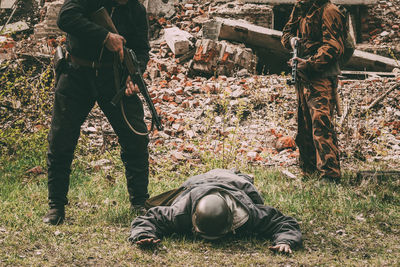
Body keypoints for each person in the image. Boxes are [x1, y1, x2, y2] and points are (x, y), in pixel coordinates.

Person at [43, 0, 151, 225]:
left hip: (114, 78)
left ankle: (140, 202)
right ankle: (56, 206)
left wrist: (134, 74)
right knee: (61, 139)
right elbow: (66, 18)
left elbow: (141, 49)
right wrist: (104, 37)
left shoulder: (136, 10)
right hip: (76, 73)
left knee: (136, 136)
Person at [129, 169, 302, 254]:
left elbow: (282, 221)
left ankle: (240, 173)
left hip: (236, 183)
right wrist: (143, 234)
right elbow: (149, 218)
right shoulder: (181, 212)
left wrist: (285, 241)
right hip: (197, 183)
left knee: (250, 190)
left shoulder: (248, 214)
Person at [281, 0, 345, 183]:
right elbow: (286, 33)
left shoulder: (329, 10)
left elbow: (333, 47)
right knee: (305, 125)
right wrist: (292, 42)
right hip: (303, 76)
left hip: (321, 77)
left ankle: (330, 175)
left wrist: (309, 63)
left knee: (321, 125)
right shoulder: (300, 7)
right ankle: (309, 171)